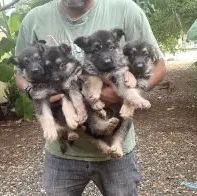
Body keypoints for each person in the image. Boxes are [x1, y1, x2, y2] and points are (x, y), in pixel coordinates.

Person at [14, 0, 166, 195]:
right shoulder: (34, 19)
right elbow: (19, 73)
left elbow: (159, 66)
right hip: (64, 151)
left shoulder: (126, 9)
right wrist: (32, 91)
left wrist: (123, 95)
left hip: (116, 149)